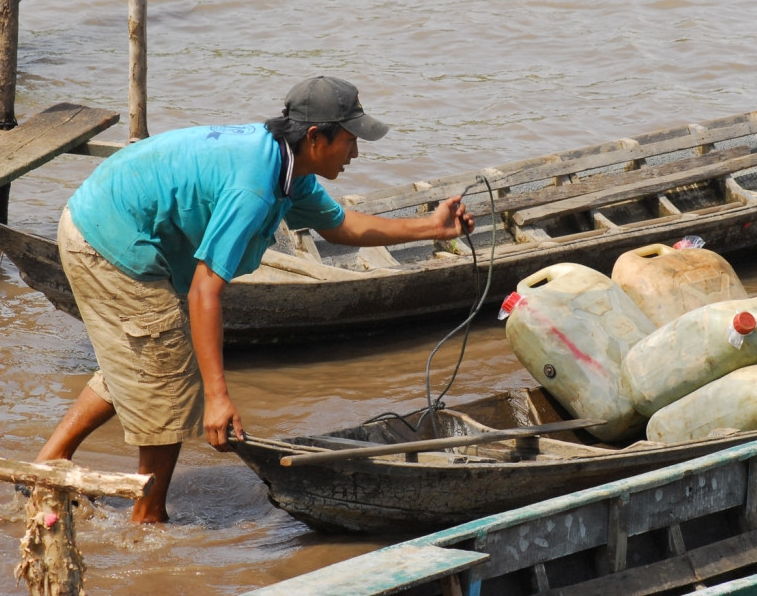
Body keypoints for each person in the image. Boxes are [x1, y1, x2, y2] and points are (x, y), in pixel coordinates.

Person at [35, 76, 475, 523]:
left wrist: (434, 228)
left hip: (101, 217)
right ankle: (147, 519)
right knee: (167, 371)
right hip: (107, 238)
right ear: (315, 138)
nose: (356, 153)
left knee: (145, 360)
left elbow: (340, 227)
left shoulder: (290, 168)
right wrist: (218, 396)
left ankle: (47, 467)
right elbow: (204, 290)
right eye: (349, 141)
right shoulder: (256, 186)